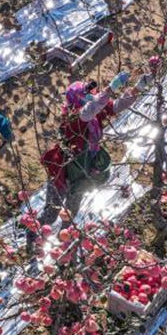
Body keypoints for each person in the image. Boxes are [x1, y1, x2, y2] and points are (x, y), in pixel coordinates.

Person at [29, 74, 141, 245]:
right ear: (76, 98)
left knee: (71, 212)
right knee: (51, 213)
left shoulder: (94, 112)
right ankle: (33, 240)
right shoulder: (73, 117)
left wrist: (138, 88)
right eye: (85, 93)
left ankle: (63, 243)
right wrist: (111, 88)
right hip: (63, 172)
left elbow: (116, 106)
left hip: (84, 170)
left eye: (92, 92)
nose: (91, 95)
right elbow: (92, 107)